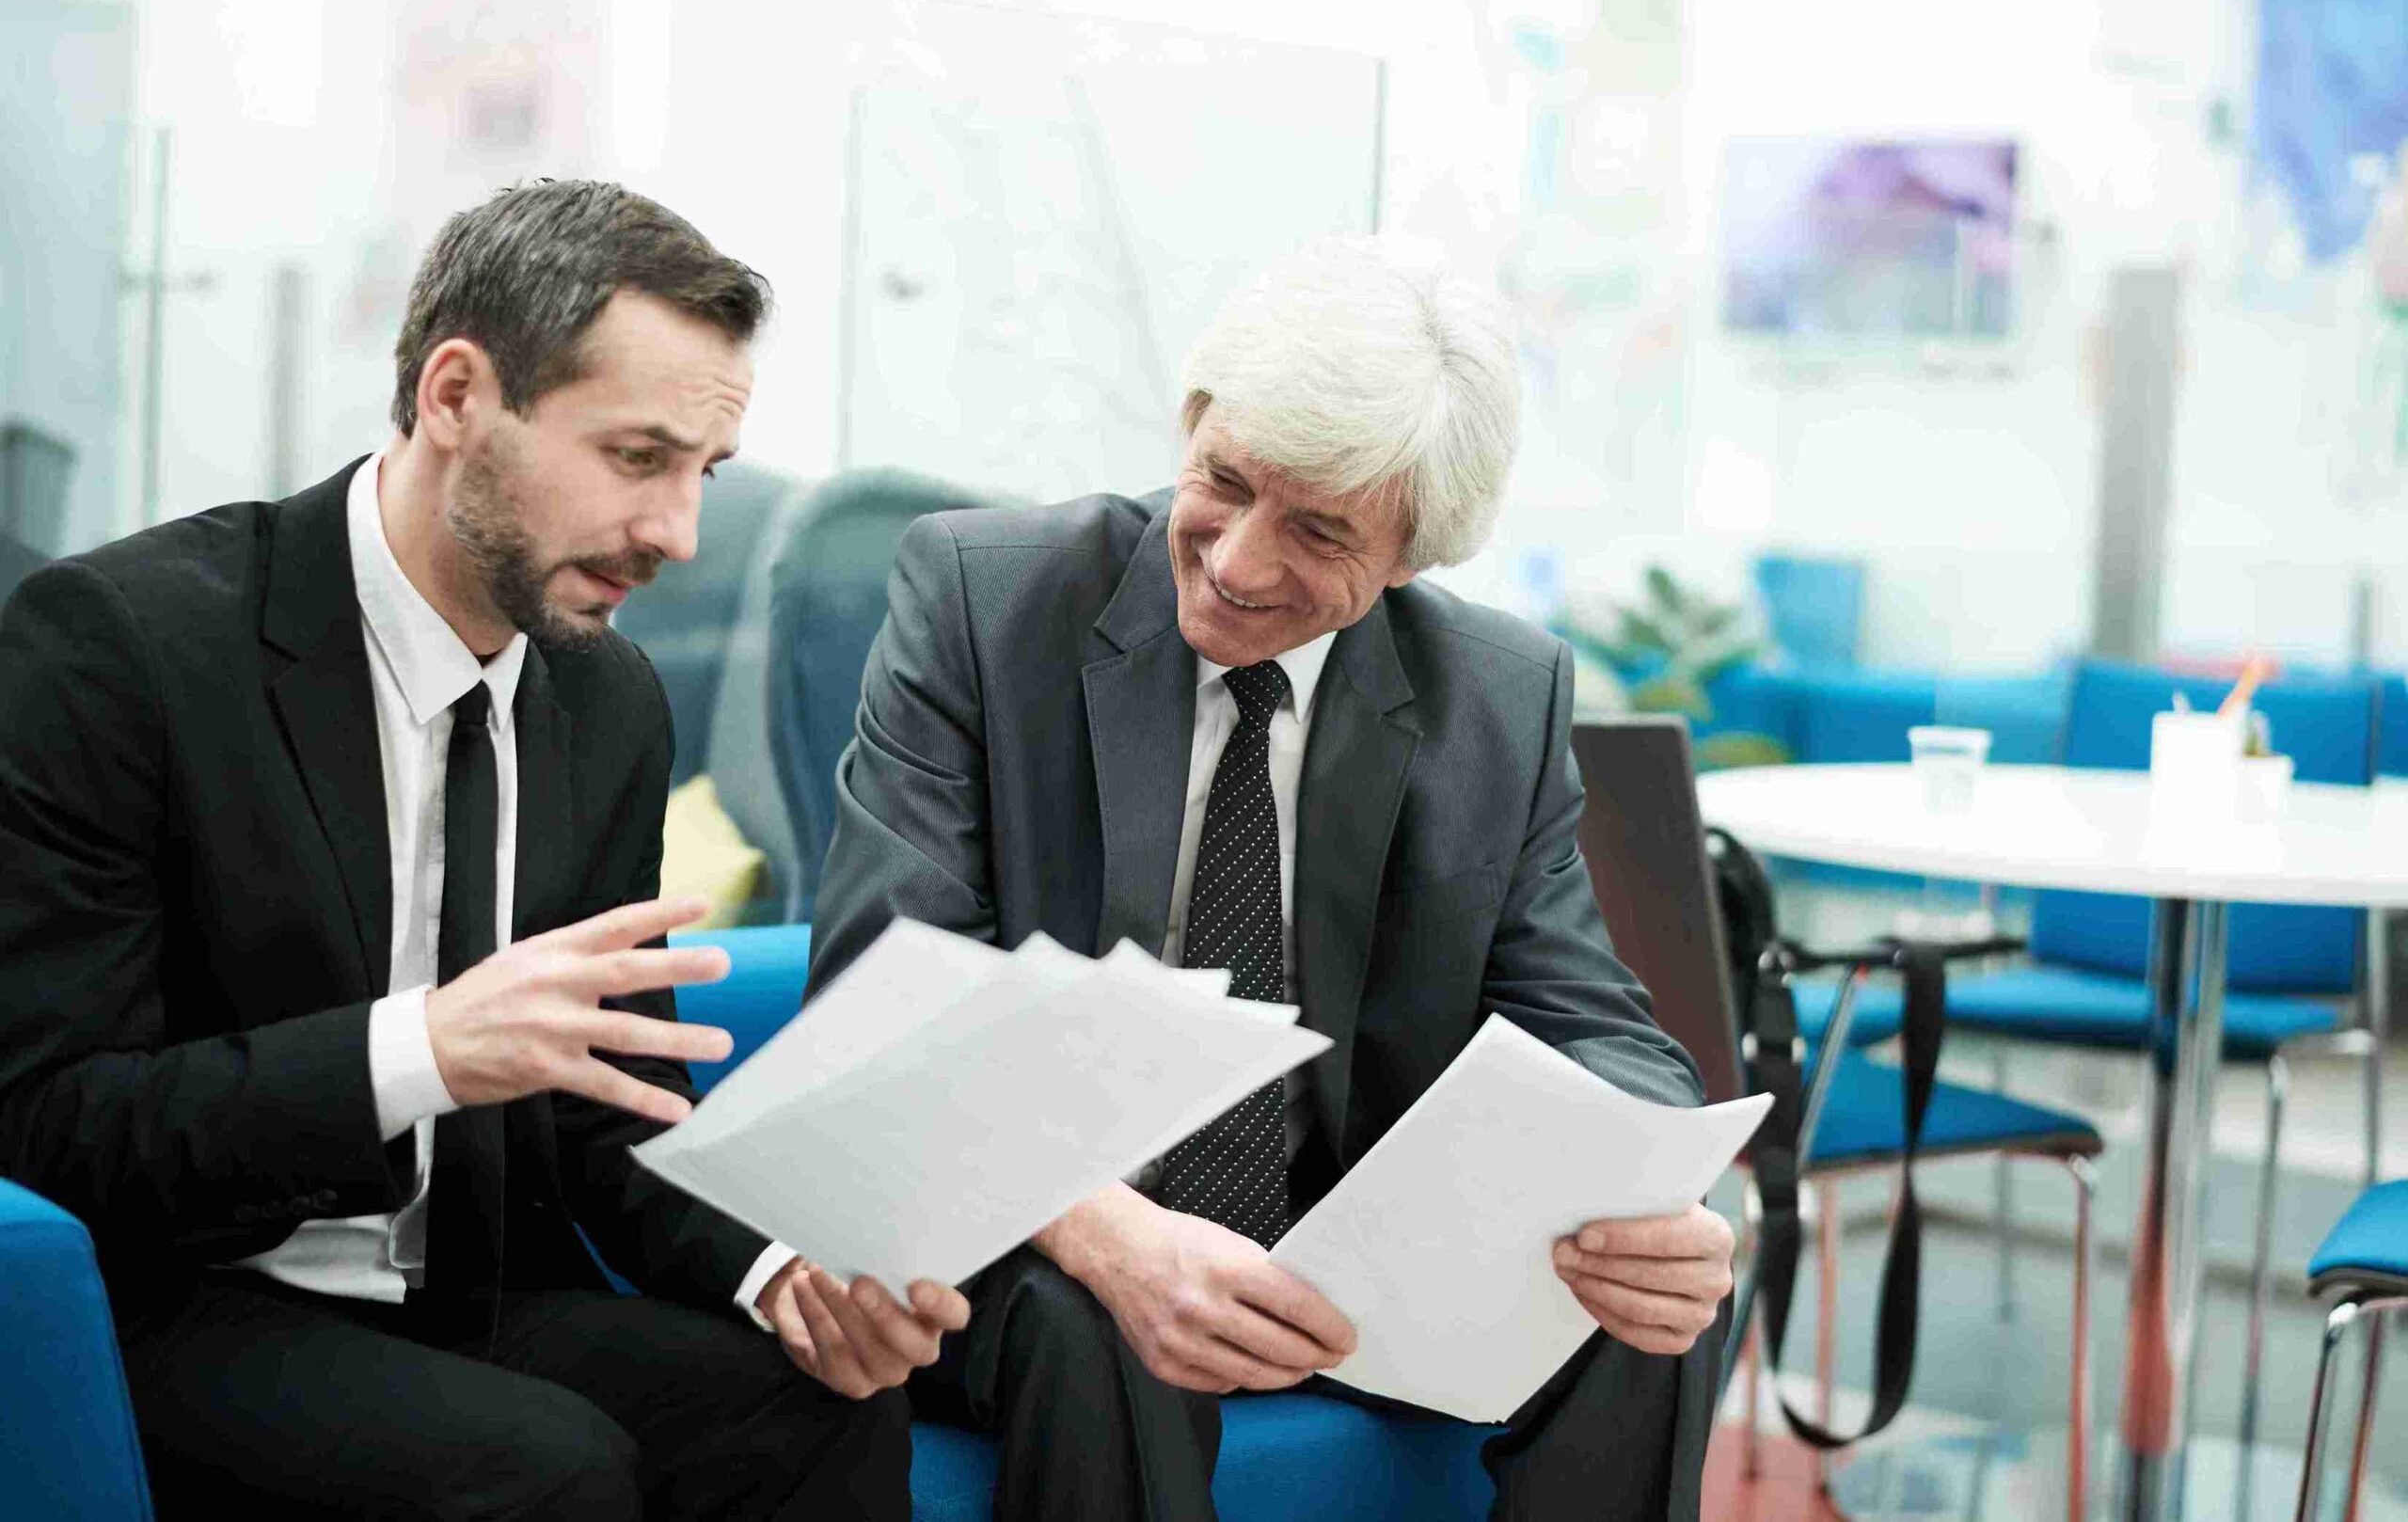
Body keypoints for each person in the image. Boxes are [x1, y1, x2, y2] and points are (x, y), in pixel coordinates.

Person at [0, 180, 967, 1520]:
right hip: (190, 1302)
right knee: (542, 1474)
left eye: (703, 475)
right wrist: (424, 1052)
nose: (678, 535)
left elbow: (602, 1116)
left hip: (467, 1291)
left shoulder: (607, 698)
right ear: (456, 397)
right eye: (638, 459)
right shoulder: (121, 650)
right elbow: (51, 1122)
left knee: (820, 1411)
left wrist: (779, 1270)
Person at [810, 235, 1735, 1521]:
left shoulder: (1500, 696)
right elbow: (883, 983)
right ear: (1191, 423)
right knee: (1102, 1322)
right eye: (1226, 481)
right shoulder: (983, 600)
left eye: (1318, 529)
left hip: (1351, 1254)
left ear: (1413, 553)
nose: (1239, 562)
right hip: (1040, 1227)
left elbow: (1592, 1025)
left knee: (1653, 1298)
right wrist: (1103, 1228)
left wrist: (1657, 1201)